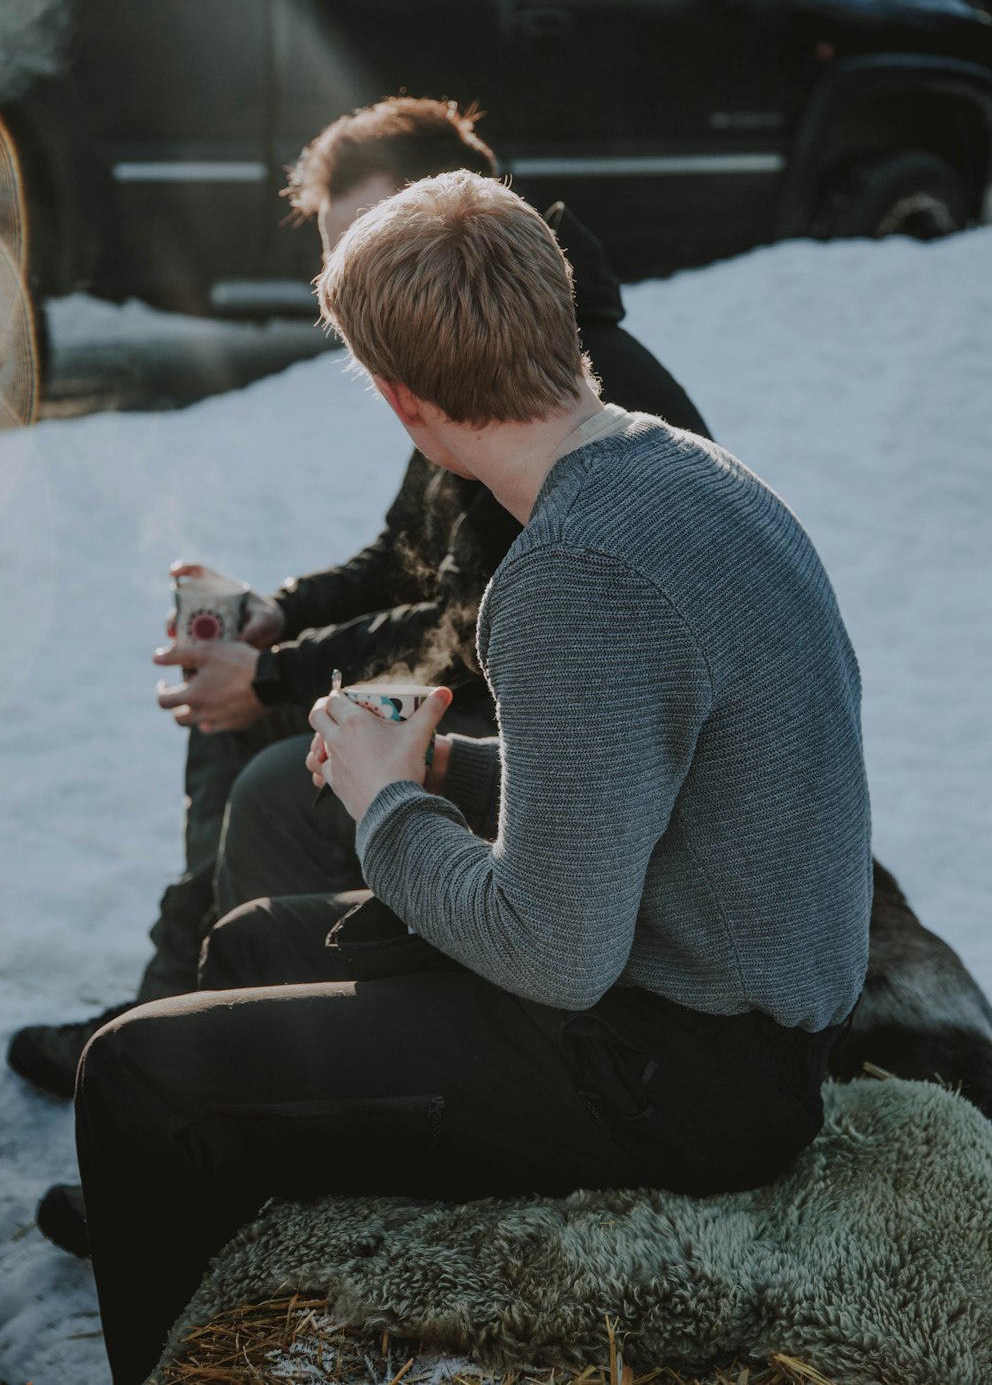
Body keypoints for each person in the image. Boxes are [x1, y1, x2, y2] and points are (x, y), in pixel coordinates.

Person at [74, 170, 871, 1385]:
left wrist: (389, 805)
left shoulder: (573, 570)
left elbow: (557, 952)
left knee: (133, 1080)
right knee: (244, 945)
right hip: (711, 1002)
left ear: (401, 402)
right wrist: (443, 760)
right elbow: (657, 764)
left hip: (692, 1072)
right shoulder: (680, 467)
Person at [7, 97, 712, 1098]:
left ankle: (238, 1075)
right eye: (337, 261)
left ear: (454, 213)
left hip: (533, 725)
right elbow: (406, 553)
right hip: (483, 679)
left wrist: (282, 679)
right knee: (232, 711)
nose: (352, 294)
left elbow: (479, 626)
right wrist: (282, 619)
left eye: (372, 248)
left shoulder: (550, 371)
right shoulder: (464, 344)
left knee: (268, 768)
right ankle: (172, 1006)